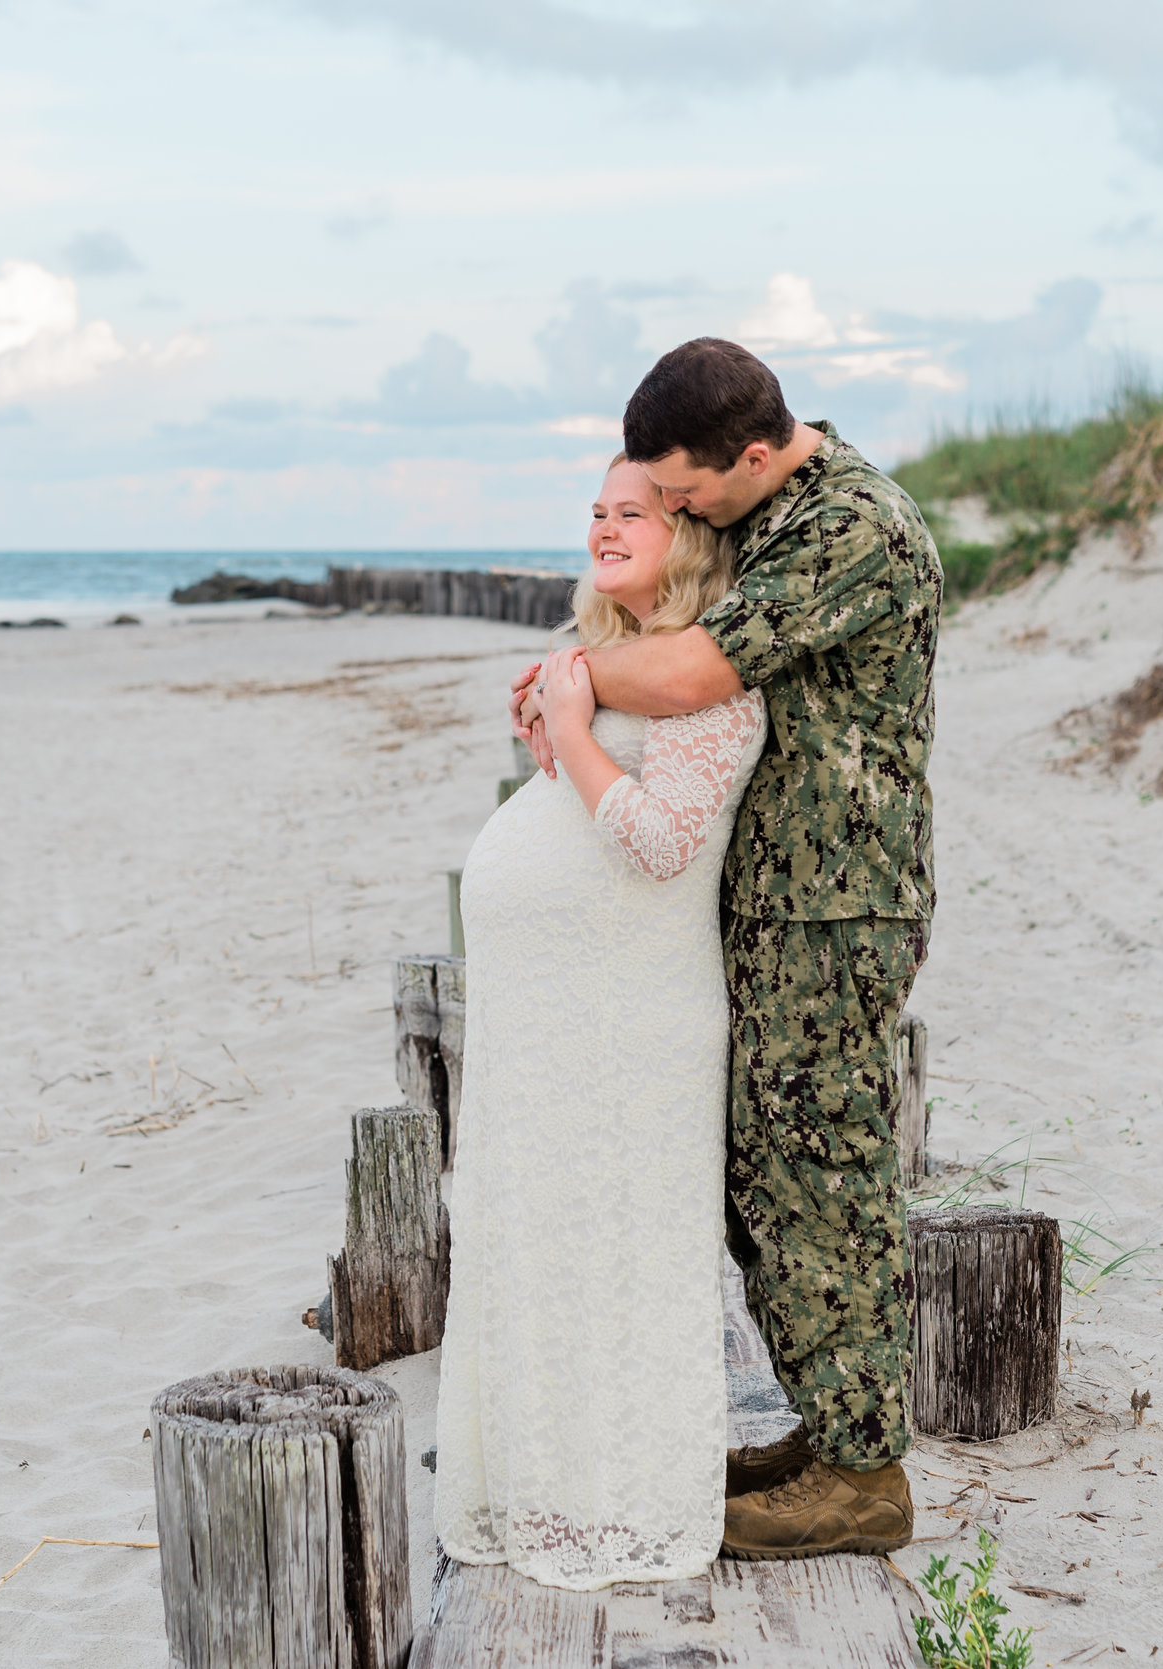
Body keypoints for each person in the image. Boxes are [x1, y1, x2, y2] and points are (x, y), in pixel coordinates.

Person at [511, 337, 942, 1562]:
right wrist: (572, 677)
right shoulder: (776, 505)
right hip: (777, 897)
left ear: (752, 454)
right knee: (766, 1174)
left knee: (826, 1178)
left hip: (836, 903)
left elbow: (701, 668)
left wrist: (572, 679)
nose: (680, 511)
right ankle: (829, 1433)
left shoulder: (853, 525)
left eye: (688, 490)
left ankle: (864, 1479)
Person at [432, 453, 768, 1591]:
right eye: (595, 510)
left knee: (614, 1249)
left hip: (629, 1014)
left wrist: (572, 727)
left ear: (690, 531)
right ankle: (539, 1481)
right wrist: (565, 714)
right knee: (535, 1235)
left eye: (633, 512)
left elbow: (663, 843)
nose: (603, 526)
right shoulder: (606, 663)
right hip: (551, 1012)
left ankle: (617, 1501)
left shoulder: (712, 674)